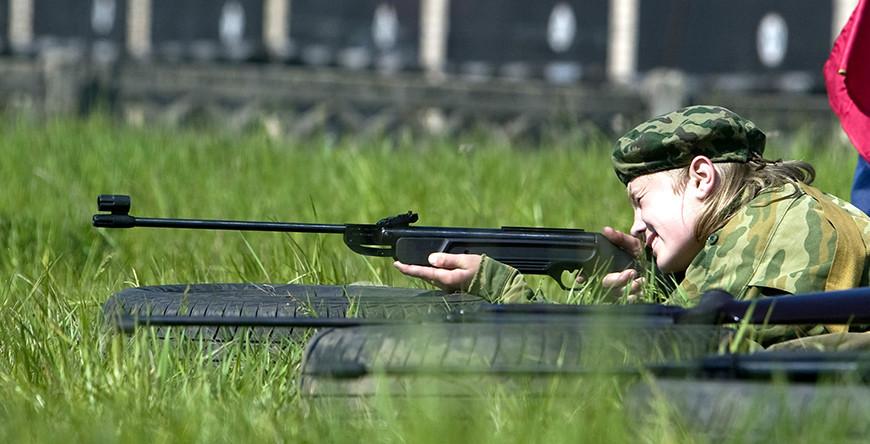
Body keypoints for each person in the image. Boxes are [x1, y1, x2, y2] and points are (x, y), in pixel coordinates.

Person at [394, 105, 870, 345]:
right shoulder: (763, 216)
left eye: (641, 202)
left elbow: (697, 361)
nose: (636, 226)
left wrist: (508, 293)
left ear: (701, 177)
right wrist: (655, 289)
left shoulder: (771, 230)